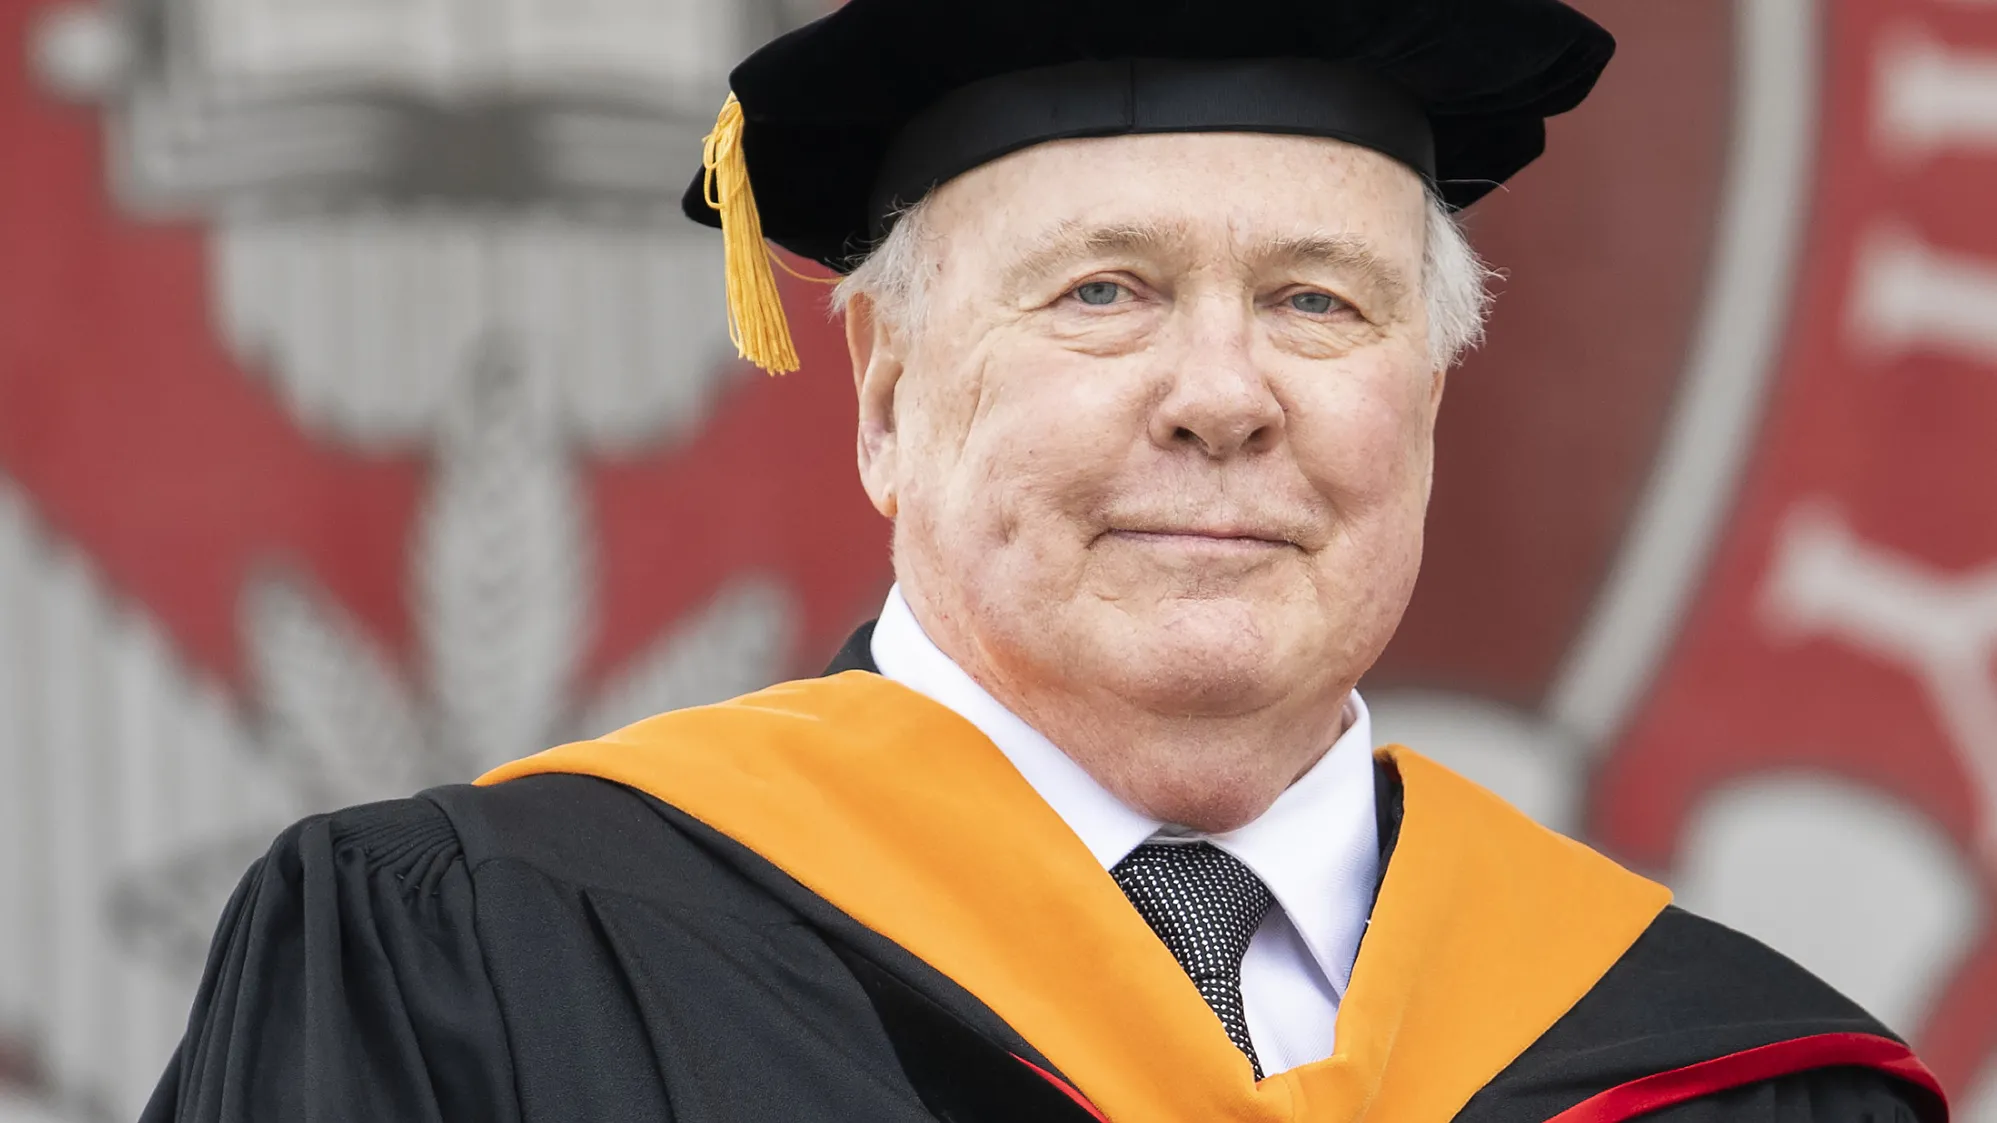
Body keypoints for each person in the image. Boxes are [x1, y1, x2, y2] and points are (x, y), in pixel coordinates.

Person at [142, 2, 1949, 1121]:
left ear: (1425, 396)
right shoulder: (499, 972)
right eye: (1107, 292)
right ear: (885, 392)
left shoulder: (1731, 1076)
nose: (1224, 396)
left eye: (1319, 302)